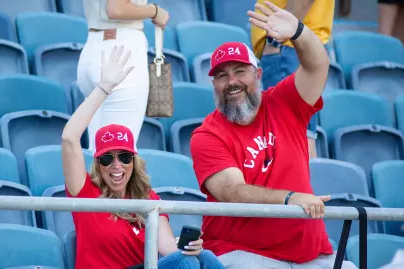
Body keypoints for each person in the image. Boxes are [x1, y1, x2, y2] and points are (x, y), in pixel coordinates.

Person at [190, 2, 357, 268]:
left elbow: (317, 67)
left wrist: (299, 33)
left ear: (257, 74)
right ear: (214, 85)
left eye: (239, 71)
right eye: (222, 76)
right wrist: (290, 199)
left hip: (310, 253)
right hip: (243, 252)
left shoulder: (283, 102)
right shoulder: (207, 134)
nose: (231, 81)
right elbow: (232, 191)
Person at [63, 45, 224, 269]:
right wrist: (105, 87)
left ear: (134, 161)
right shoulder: (86, 192)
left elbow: (168, 248)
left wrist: (187, 247)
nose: (116, 165)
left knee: (203, 257)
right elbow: (70, 138)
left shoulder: (147, 197)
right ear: (98, 163)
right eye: (107, 158)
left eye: (124, 157)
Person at [77, 0, 170, 153]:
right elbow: (116, 9)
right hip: (121, 52)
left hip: (93, 48)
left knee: (98, 154)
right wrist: (155, 11)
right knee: (118, 155)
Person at [250, 0, 335, 158]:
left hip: (289, 46)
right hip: (295, 46)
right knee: (299, 137)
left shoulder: (284, 41)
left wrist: (275, 40)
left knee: (292, 140)